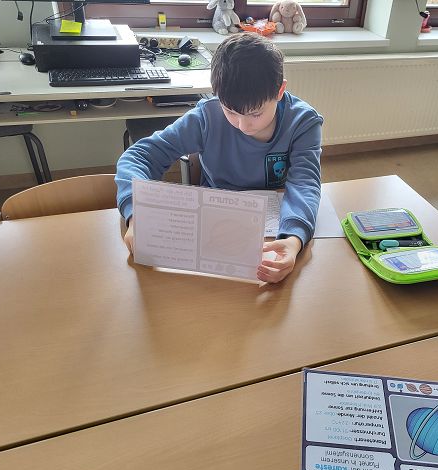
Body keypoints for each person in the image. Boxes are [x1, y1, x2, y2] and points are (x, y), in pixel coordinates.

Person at [115, 32, 323, 283]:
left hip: (277, 230)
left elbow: (304, 183)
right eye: (231, 111)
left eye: (255, 113)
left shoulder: (303, 122)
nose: (243, 125)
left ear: (280, 91)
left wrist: (294, 238)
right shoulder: (207, 117)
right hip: (217, 231)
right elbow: (137, 157)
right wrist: (137, 215)